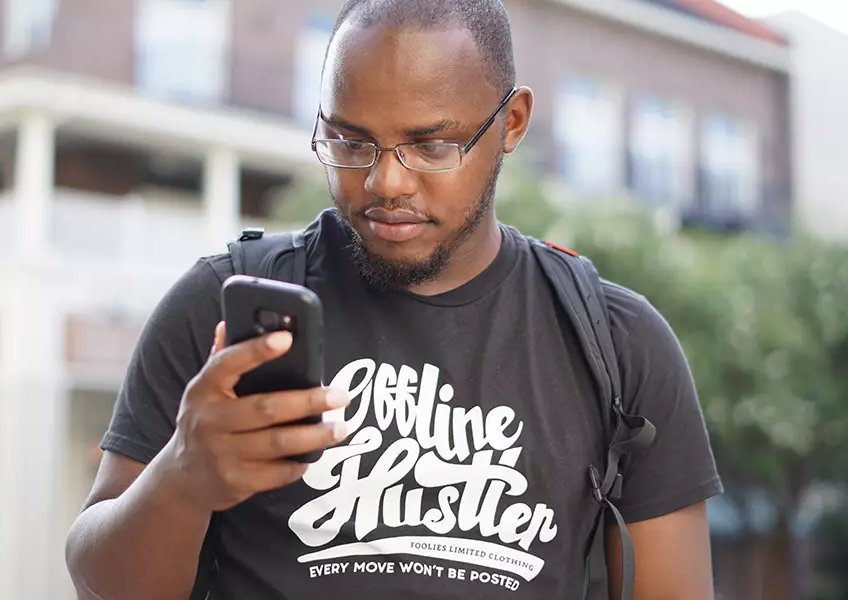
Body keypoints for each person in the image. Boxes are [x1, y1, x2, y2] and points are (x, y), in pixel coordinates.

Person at [65, 0, 723, 598]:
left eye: (431, 145)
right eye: (350, 142)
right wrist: (180, 480)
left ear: (512, 122)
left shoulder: (617, 343)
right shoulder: (221, 303)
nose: (384, 182)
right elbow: (100, 583)